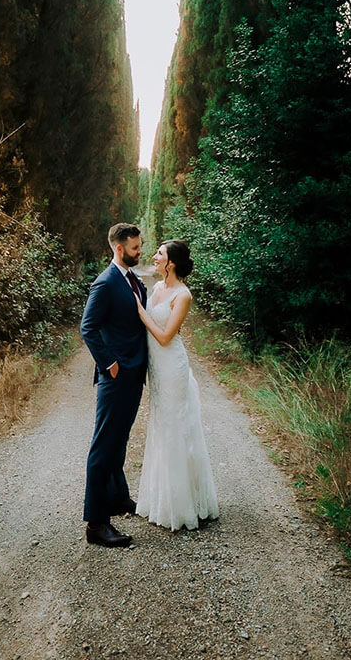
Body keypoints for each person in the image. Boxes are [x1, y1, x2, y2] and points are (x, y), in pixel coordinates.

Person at [133, 239, 219, 531]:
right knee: (160, 426)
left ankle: (183, 505)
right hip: (157, 370)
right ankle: (160, 497)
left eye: (159, 254)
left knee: (175, 428)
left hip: (173, 367)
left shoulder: (183, 295)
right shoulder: (157, 288)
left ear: (171, 262)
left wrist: (141, 312)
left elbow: (167, 336)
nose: (154, 257)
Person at [80, 222, 148, 547]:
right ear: (119, 249)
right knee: (102, 447)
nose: (140, 252)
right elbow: (87, 328)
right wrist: (111, 364)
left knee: (120, 440)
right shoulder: (105, 283)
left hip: (134, 375)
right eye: (135, 248)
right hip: (116, 377)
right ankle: (96, 523)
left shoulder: (132, 279)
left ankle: (118, 497)